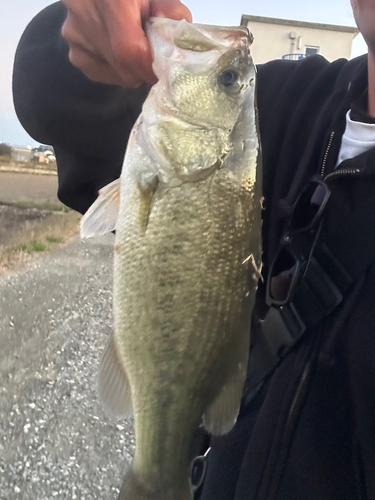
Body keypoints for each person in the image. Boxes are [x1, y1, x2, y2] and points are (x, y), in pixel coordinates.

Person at [12, 0, 375, 498]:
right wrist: (89, 38)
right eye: (229, 83)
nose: (230, 80)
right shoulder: (288, 104)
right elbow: (58, 101)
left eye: (228, 83)